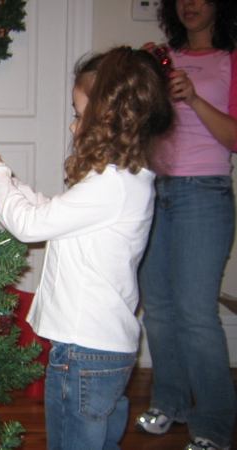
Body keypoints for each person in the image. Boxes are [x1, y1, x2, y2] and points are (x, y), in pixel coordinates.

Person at [0, 46, 174, 450]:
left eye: (80, 115)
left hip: (83, 355)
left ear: (108, 120)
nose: (73, 126)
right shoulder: (123, 181)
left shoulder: (111, 185)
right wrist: (17, 188)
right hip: (103, 352)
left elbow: (30, 225)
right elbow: (52, 213)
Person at [136, 1, 237, 449]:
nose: (191, 4)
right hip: (153, 190)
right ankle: (170, 401)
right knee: (157, 309)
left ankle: (213, 425)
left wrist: (193, 98)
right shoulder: (162, 57)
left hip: (205, 192)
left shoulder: (229, 60)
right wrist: (142, 78)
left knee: (196, 315)